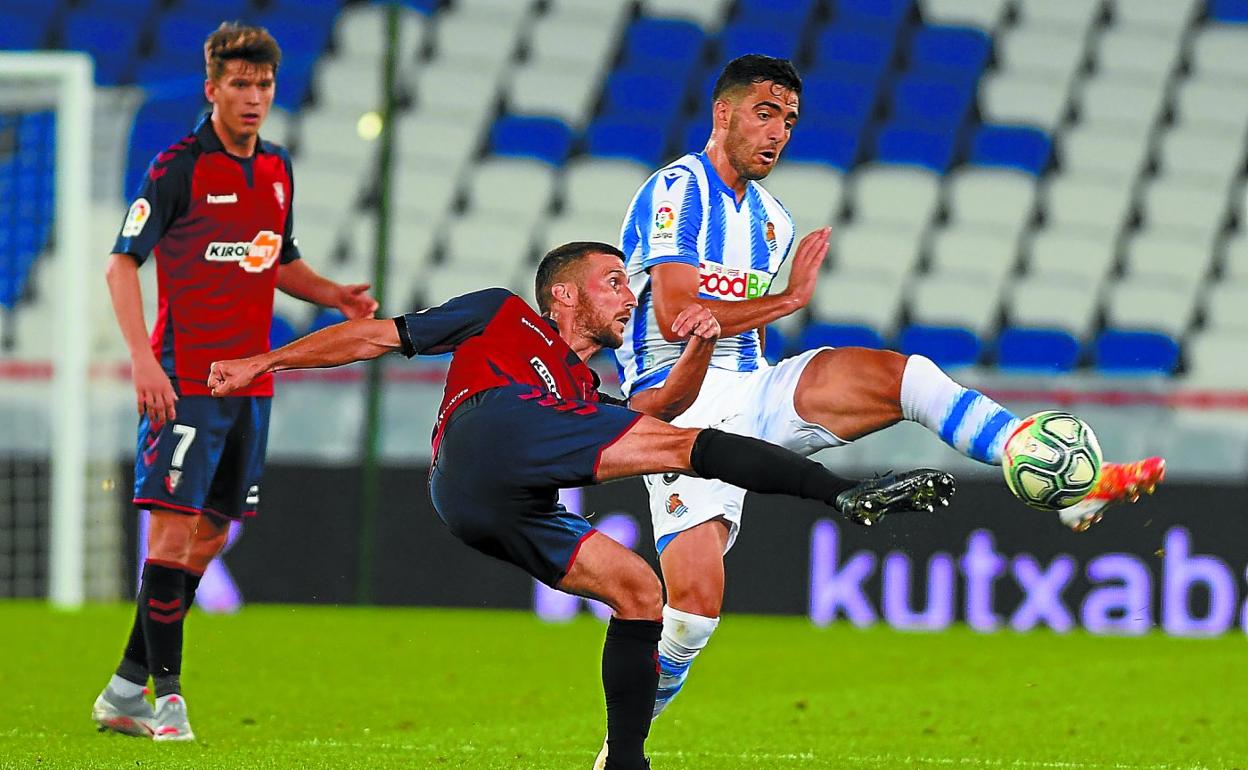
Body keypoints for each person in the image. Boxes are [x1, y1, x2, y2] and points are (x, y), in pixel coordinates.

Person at [205, 241, 955, 770]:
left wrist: (696, 347)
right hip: (487, 429)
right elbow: (377, 336)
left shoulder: (586, 394)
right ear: (565, 292)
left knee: (641, 594)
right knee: (682, 445)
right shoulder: (504, 316)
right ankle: (841, 494)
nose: (630, 295)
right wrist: (263, 360)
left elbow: (660, 408)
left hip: (488, 502)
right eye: (613, 282)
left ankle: (624, 761)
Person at [611, 54, 1167, 729]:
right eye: (765, 113)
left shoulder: (772, 221)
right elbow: (677, 317)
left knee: (908, 376)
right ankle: (626, 741)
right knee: (694, 614)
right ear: (723, 113)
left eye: (788, 120)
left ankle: (1065, 474)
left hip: (753, 386)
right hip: (678, 407)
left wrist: (780, 325)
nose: (778, 132)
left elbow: (736, 327)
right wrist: (789, 300)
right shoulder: (675, 191)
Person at [92, 22, 378, 742]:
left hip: (250, 384)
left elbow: (275, 259)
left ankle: (126, 683)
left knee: (211, 536)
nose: (253, 98)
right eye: (240, 85)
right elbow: (122, 263)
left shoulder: (277, 167)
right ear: (212, 88)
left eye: (264, 85)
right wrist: (141, 358)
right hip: (185, 378)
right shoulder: (179, 167)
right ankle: (167, 700)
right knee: (171, 533)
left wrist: (336, 294)